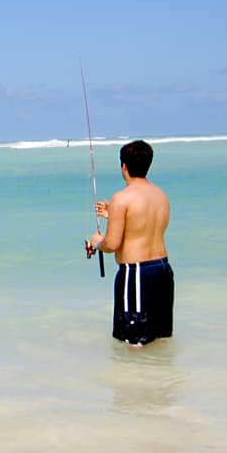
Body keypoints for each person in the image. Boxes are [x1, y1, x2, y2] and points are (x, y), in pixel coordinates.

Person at [86, 140, 173, 346]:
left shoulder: (122, 198)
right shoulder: (160, 195)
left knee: (133, 342)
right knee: (158, 338)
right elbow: (143, 226)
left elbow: (112, 244)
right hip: (162, 271)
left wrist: (97, 242)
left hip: (136, 273)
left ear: (124, 166)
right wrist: (112, 215)